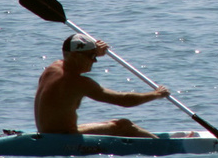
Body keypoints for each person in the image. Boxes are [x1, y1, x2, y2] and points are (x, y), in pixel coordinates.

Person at [34, 33, 170, 138]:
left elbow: (75, 55)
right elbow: (124, 100)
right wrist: (156, 94)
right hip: (63, 137)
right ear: (76, 56)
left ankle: (156, 139)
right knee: (123, 126)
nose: (95, 61)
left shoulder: (52, 68)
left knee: (112, 123)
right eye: (91, 56)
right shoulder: (78, 82)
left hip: (48, 132)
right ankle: (164, 146)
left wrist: (94, 50)